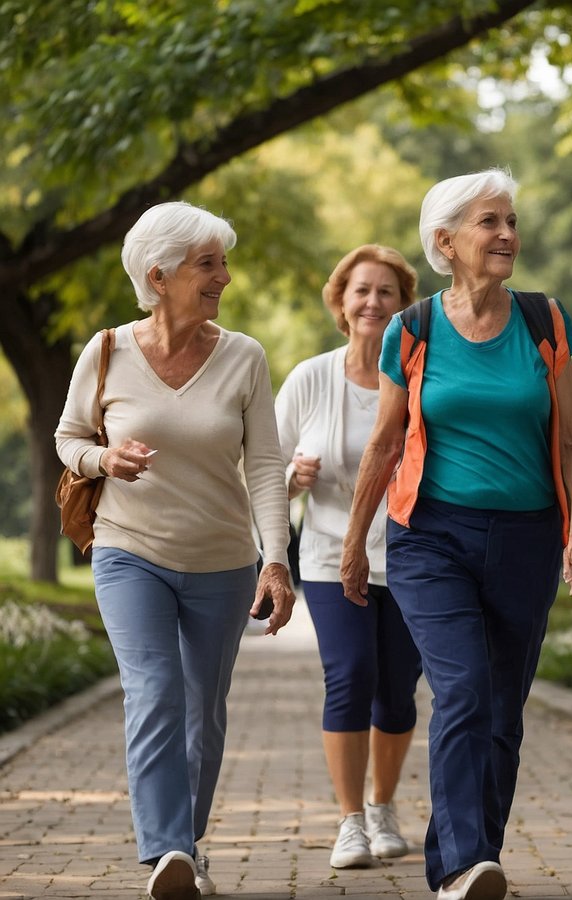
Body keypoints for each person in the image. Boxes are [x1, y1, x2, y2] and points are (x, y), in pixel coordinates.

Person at [340, 168, 572, 900]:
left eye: (511, 221)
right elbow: (386, 444)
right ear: (446, 240)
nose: (508, 235)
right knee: (463, 689)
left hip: (527, 536)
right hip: (431, 535)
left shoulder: (544, 321)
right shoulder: (413, 328)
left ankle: (471, 851)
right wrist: (355, 541)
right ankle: (461, 866)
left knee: (502, 710)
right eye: (491, 222)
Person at [54, 201, 295, 900]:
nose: (225, 275)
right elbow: (69, 437)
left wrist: (274, 560)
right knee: (154, 690)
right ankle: (166, 852)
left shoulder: (244, 356)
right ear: (158, 277)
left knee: (204, 710)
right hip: (130, 552)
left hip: (222, 561)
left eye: (222, 261)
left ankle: (183, 850)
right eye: (208, 264)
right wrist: (103, 460)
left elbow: (266, 468)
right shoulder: (105, 351)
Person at [274, 244, 424, 869]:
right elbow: (259, 473)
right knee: (351, 674)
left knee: (397, 691)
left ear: (402, 307)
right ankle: (349, 821)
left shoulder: (421, 378)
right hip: (332, 555)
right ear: (341, 301)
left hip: (414, 558)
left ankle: (384, 806)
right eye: (361, 290)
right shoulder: (310, 378)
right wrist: (291, 476)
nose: (372, 302)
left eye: (385, 292)